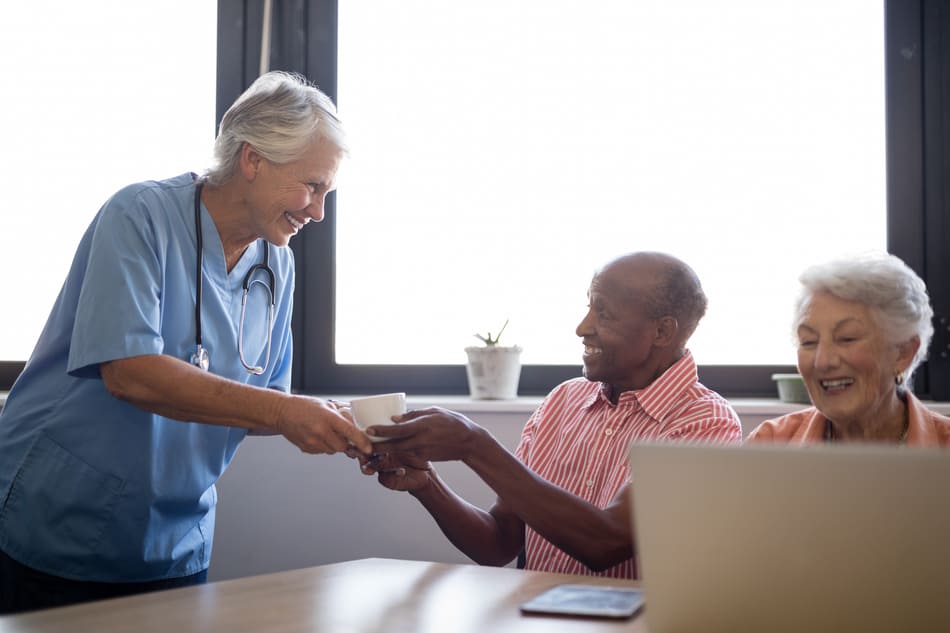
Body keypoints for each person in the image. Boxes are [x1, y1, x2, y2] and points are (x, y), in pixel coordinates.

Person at [0, 71, 373, 614]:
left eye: (326, 193)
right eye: (311, 186)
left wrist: (330, 419)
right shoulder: (138, 216)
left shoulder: (277, 263)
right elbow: (129, 371)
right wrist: (285, 411)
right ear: (252, 160)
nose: (318, 211)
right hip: (62, 517)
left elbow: (264, 400)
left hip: (175, 540)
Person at [361, 252, 743, 578]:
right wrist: (426, 483)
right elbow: (497, 544)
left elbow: (606, 543)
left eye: (604, 314)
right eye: (588, 307)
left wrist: (473, 445)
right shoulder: (564, 401)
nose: (582, 328)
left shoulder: (705, 424)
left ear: (662, 332)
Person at [747, 251, 950, 445]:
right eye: (808, 341)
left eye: (846, 338)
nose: (823, 361)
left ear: (902, 353)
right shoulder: (770, 442)